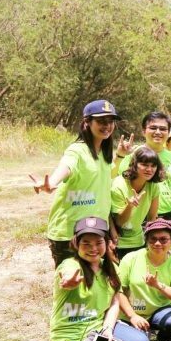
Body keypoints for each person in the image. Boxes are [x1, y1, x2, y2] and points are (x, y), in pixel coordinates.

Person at [50, 217, 149, 341]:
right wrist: (68, 282)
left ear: (108, 243)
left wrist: (107, 330)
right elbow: (67, 275)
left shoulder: (110, 268)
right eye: (86, 243)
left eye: (98, 242)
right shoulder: (70, 265)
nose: (93, 248)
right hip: (72, 340)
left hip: (97, 330)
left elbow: (114, 302)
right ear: (76, 243)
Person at [32, 99, 120, 267]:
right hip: (70, 233)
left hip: (96, 230)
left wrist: (111, 229)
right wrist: (52, 182)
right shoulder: (77, 150)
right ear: (87, 122)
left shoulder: (105, 154)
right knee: (71, 280)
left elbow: (103, 194)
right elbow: (66, 166)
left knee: (94, 279)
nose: (107, 126)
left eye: (110, 121)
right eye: (101, 121)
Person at [116, 219, 171, 341]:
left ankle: (163, 340)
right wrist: (132, 315)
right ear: (146, 240)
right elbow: (118, 291)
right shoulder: (130, 258)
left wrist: (158, 285)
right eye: (153, 239)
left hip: (160, 312)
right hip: (131, 312)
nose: (157, 243)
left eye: (163, 239)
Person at [117, 112, 171, 224]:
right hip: (139, 214)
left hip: (168, 214)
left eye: (163, 129)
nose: (158, 132)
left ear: (168, 133)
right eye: (153, 128)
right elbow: (121, 182)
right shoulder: (132, 154)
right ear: (144, 131)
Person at [110, 146, 163, 259]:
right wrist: (129, 206)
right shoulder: (118, 185)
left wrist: (151, 240)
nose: (149, 169)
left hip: (138, 240)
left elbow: (152, 218)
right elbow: (119, 222)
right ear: (134, 164)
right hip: (117, 241)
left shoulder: (153, 186)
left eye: (153, 165)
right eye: (144, 165)